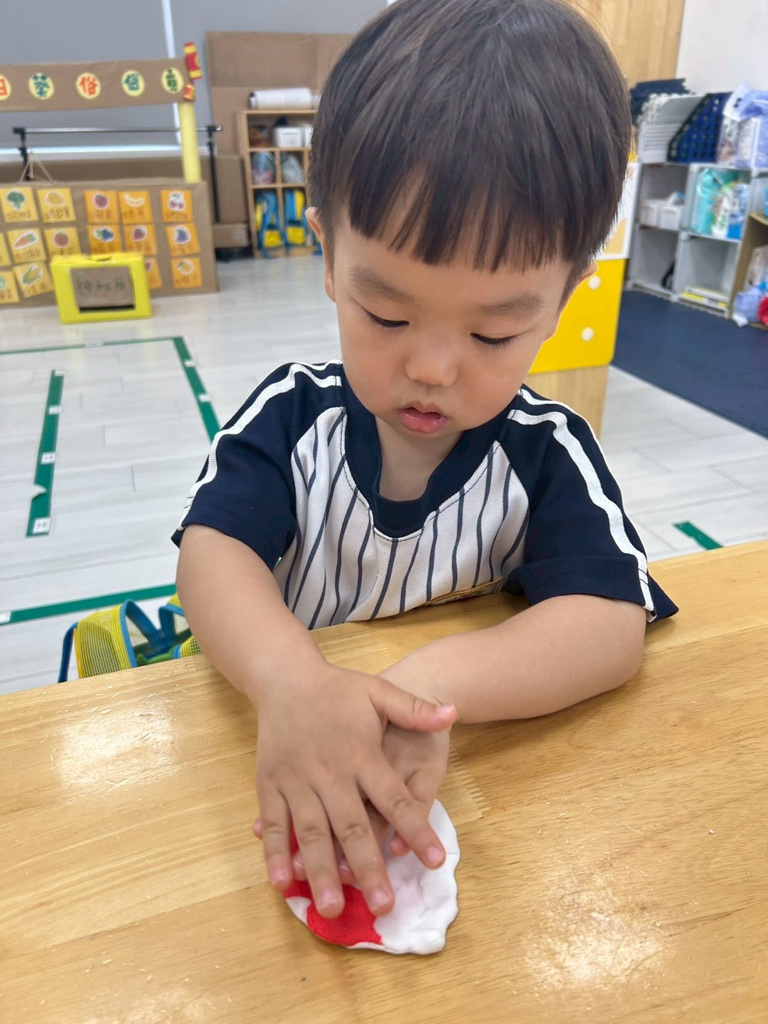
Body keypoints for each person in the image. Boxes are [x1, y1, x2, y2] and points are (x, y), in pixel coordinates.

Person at [174, 0, 677, 924]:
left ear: (564, 299)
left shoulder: (547, 453)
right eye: (388, 315)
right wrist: (289, 679)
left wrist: (426, 693)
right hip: (261, 739)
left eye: (494, 332)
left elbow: (610, 625)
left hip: (465, 783)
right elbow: (212, 553)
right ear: (329, 259)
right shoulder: (292, 417)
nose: (434, 368)